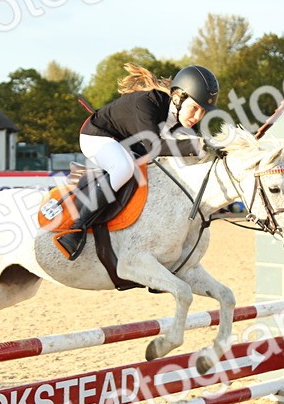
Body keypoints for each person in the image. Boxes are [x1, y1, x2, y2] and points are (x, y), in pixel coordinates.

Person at [56, 63, 218, 260]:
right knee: (123, 169)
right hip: (98, 137)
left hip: (128, 145)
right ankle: (77, 228)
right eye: (194, 108)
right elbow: (155, 147)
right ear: (177, 97)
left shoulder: (182, 118)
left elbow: (189, 153)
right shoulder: (147, 103)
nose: (197, 117)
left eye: (203, 111)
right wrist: (199, 145)